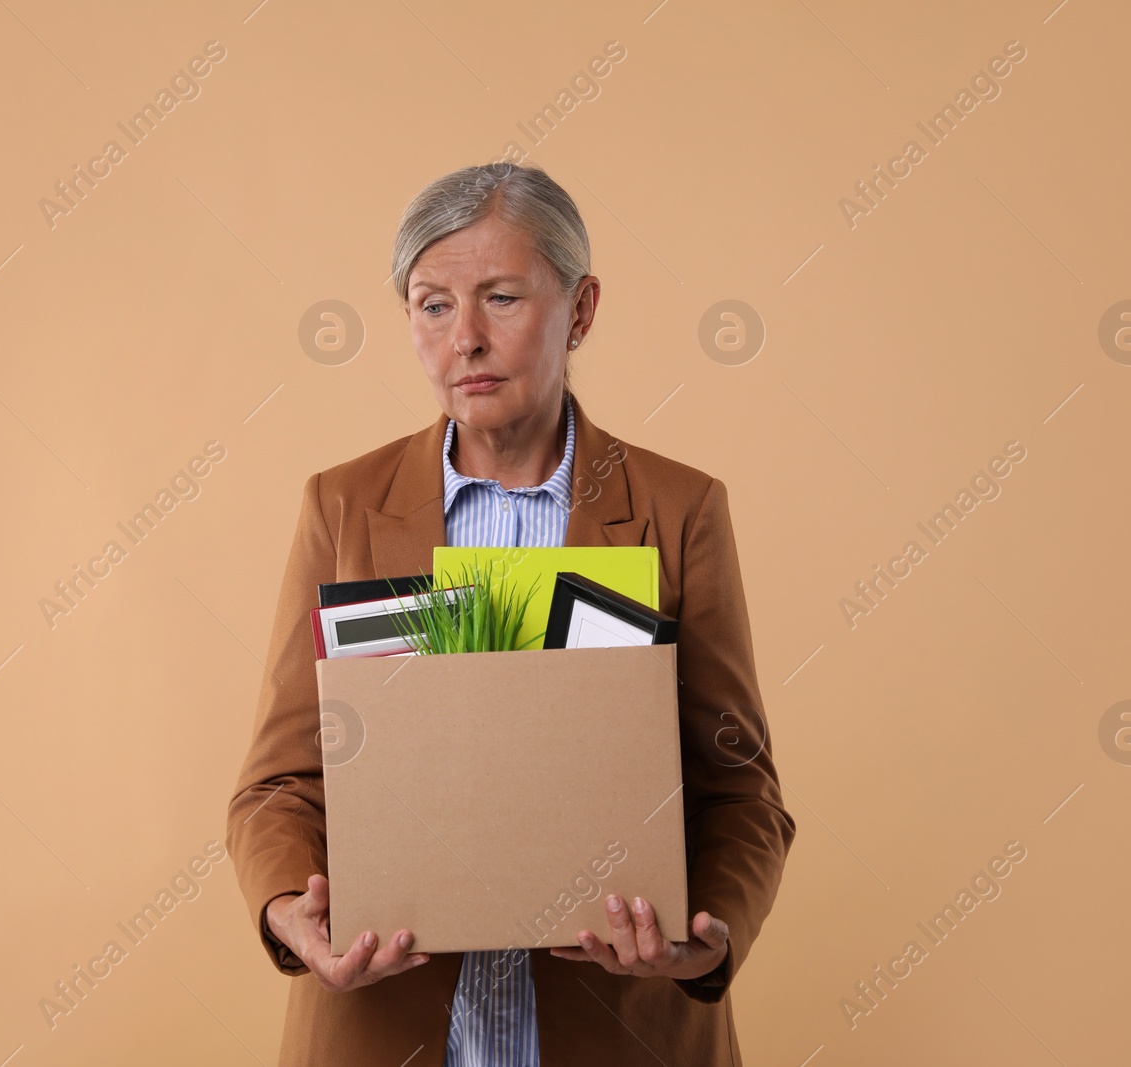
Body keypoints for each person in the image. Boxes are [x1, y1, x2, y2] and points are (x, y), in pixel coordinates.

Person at [226, 161, 794, 1066]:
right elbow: (278, 784)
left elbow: (740, 790)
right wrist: (293, 906)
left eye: (501, 298)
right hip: (387, 1030)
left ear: (582, 310)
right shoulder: (342, 506)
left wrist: (708, 933)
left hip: (623, 1030)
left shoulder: (679, 510)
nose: (466, 340)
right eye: (432, 304)